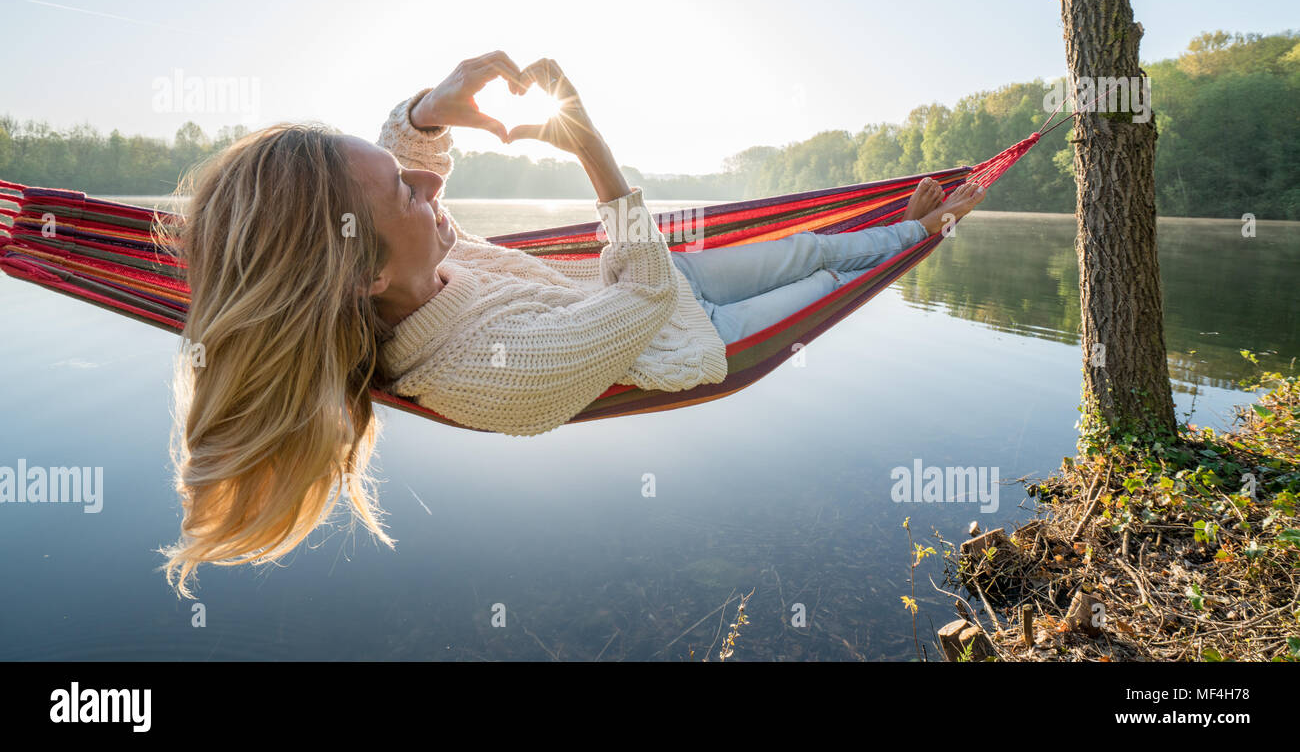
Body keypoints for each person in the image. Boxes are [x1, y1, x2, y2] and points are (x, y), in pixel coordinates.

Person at [157, 51, 984, 596]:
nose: (433, 187)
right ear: (366, 267)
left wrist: (427, 114)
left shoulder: (399, 274)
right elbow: (643, 302)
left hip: (656, 275)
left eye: (417, 176)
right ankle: (925, 230)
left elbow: (379, 184)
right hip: (697, 338)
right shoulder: (478, 371)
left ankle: (906, 224)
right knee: (836, 278)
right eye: (408, 190)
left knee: (807, 246)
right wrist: (593, 150)